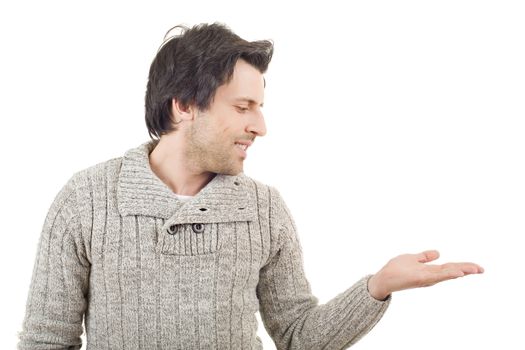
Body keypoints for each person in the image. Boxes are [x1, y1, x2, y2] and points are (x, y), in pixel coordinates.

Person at [17, 22, 484, 350]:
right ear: (183, 105)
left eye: (259, 107)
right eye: (243, 107)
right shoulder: (87, 199)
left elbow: (299, 337)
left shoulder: (263, 208)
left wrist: (378, 287)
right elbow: (46, 341)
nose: (260, 126)